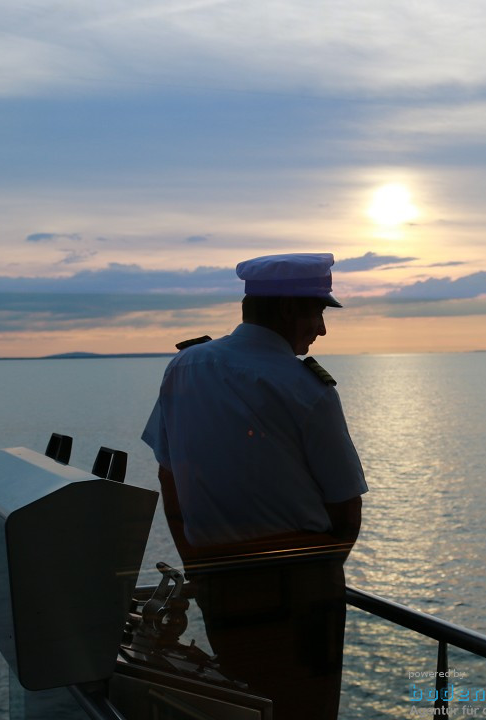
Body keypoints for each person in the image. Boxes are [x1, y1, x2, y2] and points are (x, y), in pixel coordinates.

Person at [141, 252, 367, 720]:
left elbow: (170, 476)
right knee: (303, 711)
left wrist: (200, 566)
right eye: (318, 312)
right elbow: (346, 509)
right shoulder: (306, 387)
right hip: (300, 582)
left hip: (217, 574)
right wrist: (311, 583)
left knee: (243, 703)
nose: (321, 330)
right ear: (289, 310)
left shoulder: (184, 368)